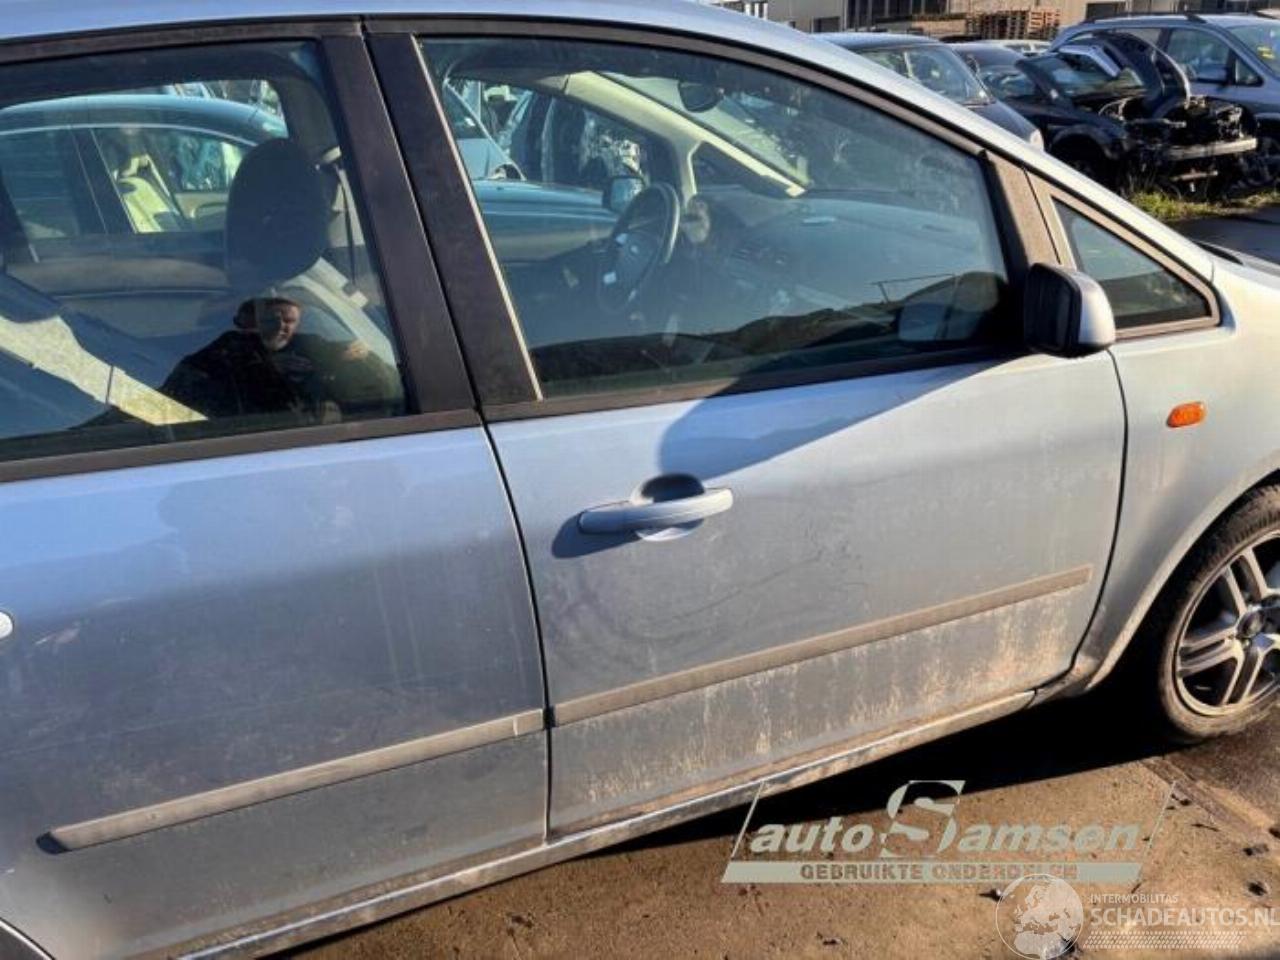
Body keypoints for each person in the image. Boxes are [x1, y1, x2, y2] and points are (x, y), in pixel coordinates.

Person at [161, 297, 395, 420]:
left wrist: (359, 351)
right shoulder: (228, 348)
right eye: (272, 319)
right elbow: (185, 390)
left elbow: (346, 352)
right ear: (251, 323)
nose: (282, 326)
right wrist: (264, 369)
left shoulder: (309, 344)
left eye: (289, 321)